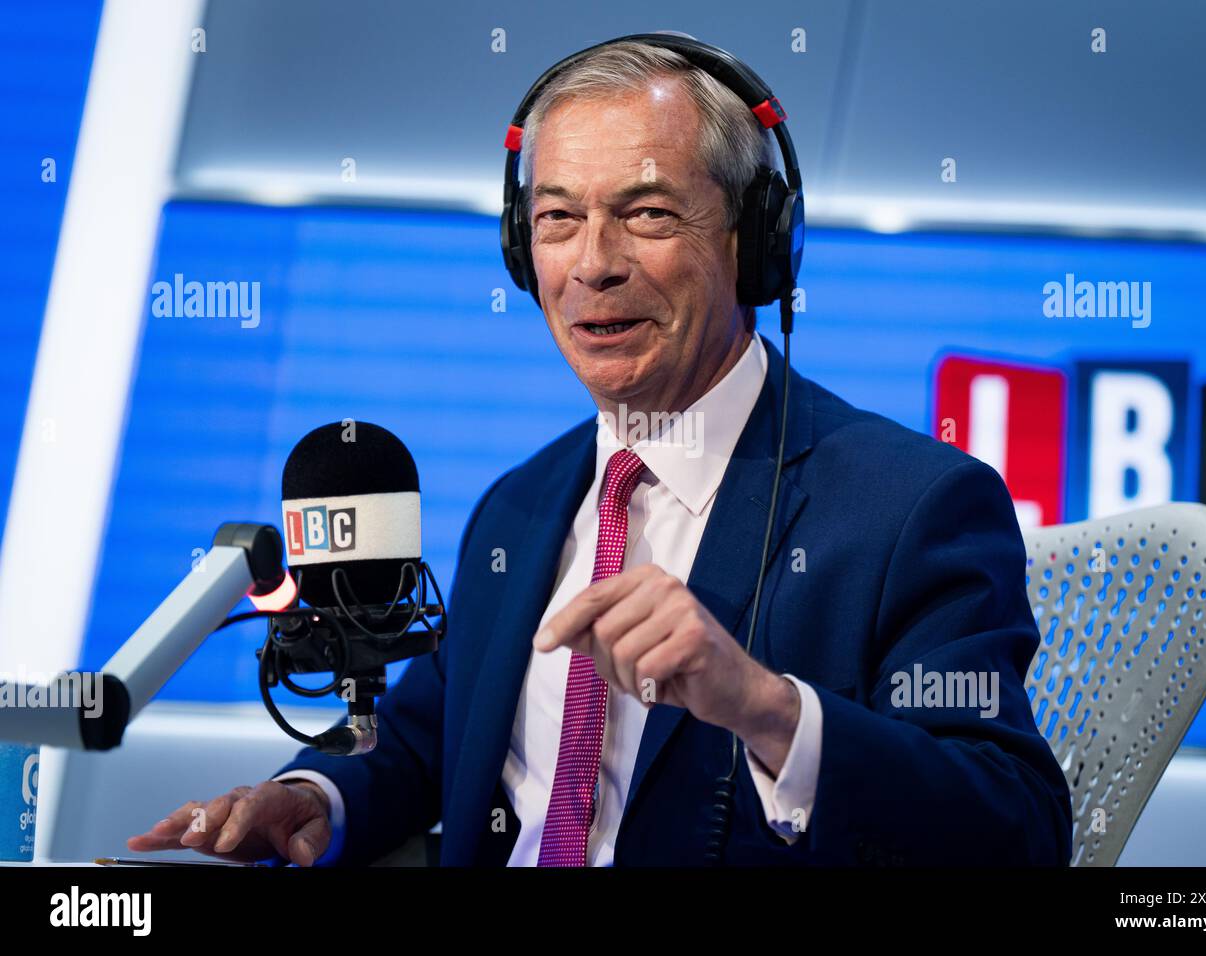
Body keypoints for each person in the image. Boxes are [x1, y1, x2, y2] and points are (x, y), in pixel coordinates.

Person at [128, 37, 1072, 867]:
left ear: (754, 245)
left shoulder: (911, 506)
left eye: (649, 214)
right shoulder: (521, 504)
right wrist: (312, 802)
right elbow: (427, 741)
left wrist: (766, 708)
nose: (593, 264)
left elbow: (1017, 830)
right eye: (557, 219)